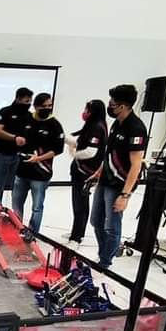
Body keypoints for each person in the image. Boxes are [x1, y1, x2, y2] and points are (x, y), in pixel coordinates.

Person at [90, 85, 146, 268]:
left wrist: (125, 195)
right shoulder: (116, 123)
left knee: (112, 227)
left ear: (123, 106)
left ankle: (105, 262)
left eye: (112, 104)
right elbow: (110, 153)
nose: (109, 106)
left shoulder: (136, 128)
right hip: (105, 180)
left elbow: (136, 164)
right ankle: (104, 253)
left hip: (119, 185)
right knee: (96, 220)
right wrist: (99, 171)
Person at [11, 93, 64, 234]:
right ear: (36, 106)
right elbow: (18, 137)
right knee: (16, 204)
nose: (47, 108)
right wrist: (18, 141)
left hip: (41, 174)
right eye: (44, 106)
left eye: (50, 106)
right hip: (22, 171)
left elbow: (58, 150)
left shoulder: (55, 125)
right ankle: (17, 230)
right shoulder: (27, 119)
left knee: (37, 207)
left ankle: (32, 234)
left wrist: (39, 158)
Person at [65, 100, 108, 250]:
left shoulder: (97, 127)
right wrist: (66, 138)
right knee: (79, 203)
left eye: (87, 110)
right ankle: (77, 232)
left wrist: (74, 154)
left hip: (86, 172)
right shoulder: (91, 125)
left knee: (80, 205)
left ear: (93, 112)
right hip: (79, 170)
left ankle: (76, 237)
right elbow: (78, 139)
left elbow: (91, 151)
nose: (84, 112)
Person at [0, 88, 33, 205]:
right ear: (18, 99)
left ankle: (16, 209)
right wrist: (15, 138)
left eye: (30, 101)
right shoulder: (5, 112)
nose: (29, 104)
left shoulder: (29, 116)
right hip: (2, 154)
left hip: (20, 156)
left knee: (17, 185)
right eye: (26, 101)